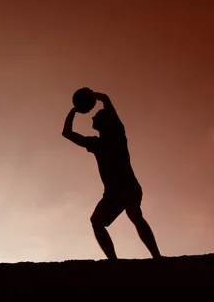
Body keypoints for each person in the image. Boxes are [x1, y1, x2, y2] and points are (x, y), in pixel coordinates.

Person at [62, 88, 162, 260]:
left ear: (106, 121)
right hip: (112, 193)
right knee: (96, 221)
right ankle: (113, 261)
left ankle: (157, 257)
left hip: (129, 186)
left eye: (97, 116)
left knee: (134, 213)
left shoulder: (118, 134)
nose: (93, 117)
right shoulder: (95, 143)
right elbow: (67, 133)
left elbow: (106, 100)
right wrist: (74, 110)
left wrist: (92, 95)